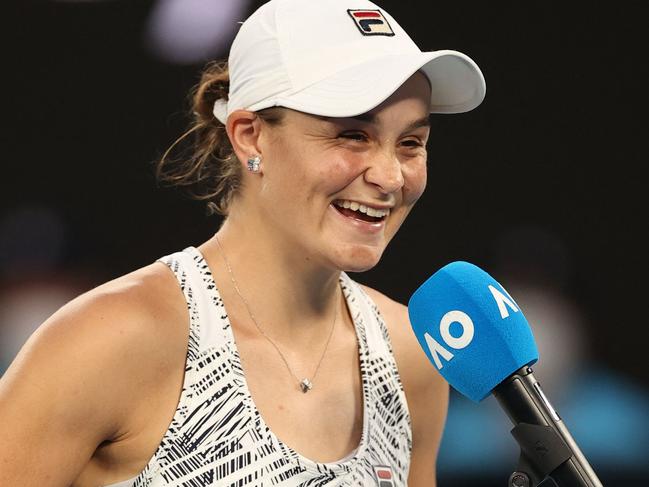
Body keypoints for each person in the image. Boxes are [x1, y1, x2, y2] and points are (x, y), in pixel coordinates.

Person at [0, 0, 485, 485]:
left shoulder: (410, 358)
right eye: (353, 135)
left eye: (410, 143)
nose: (389, 176)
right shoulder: (112, 339)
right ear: (251, 137)